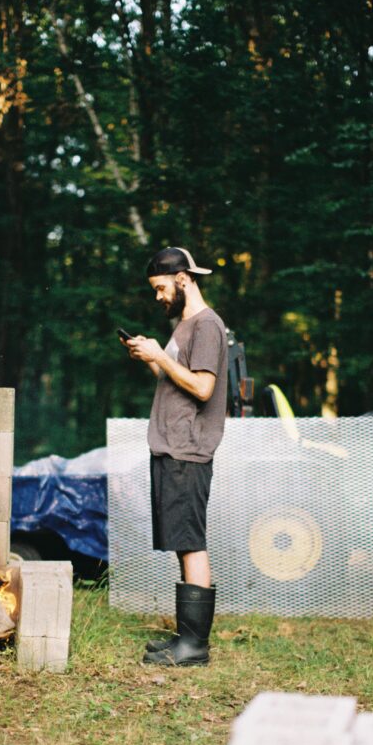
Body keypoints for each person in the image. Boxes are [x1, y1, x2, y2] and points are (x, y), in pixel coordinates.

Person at [124, 246, 228, 666]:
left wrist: (160, 357)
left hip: (188, 448)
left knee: (191, 543)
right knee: (183, 543)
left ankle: (194, 647)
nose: (159, 297)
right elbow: (176, 381)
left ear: (183, 280)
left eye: (162, 288)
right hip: (172, 445)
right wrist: (152, 356)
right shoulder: (185, 325)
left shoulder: (207, 326)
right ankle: (184, 638)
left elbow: (202, 388)